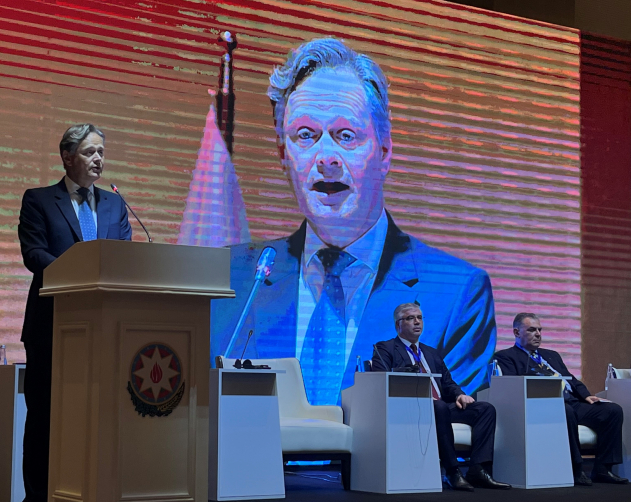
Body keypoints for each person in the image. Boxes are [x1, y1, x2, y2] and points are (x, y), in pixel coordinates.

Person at [211, 37, 496, 404]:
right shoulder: (230, 281)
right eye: (306, 136)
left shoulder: (457, 294)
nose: (326, 156)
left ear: (384, 152)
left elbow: (453, 430)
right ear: (284, 154)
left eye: (346, 136)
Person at [17, 124, 132, 502]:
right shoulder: (38, 200)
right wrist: (80, 276)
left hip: (104, 331)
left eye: (101, 151)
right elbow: (34, 255)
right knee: (45, 419)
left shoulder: (115, 203)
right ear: (67, 158)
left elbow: (124, 259)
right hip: (51, 327)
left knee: (96, 417)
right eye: (89, 152)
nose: (98, 159)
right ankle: (38, 496)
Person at [372, 303, 510, 491]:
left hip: (441, 407)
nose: (417, 322)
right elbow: (382, 379)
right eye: (410, 318)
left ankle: (478, 469)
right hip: (410, 407)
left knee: (485, 409)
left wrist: (460, 394)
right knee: (439, 407)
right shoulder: (385, 348)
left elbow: (447, 382)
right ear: (398, 324)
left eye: (420, 317)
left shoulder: (431, 352)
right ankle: (453, 471)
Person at [495, 313, 628, 486]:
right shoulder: (506, 357)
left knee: (612, 410)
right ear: (516, 332)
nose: (538, 334)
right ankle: (576, 469)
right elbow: (512, 388)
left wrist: (587, 395)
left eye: (540, 330)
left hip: (571, 401)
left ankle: (603, 469)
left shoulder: (551, 355)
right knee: (565, 412)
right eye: (532, 330)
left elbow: (570, 379)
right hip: (542, 405)